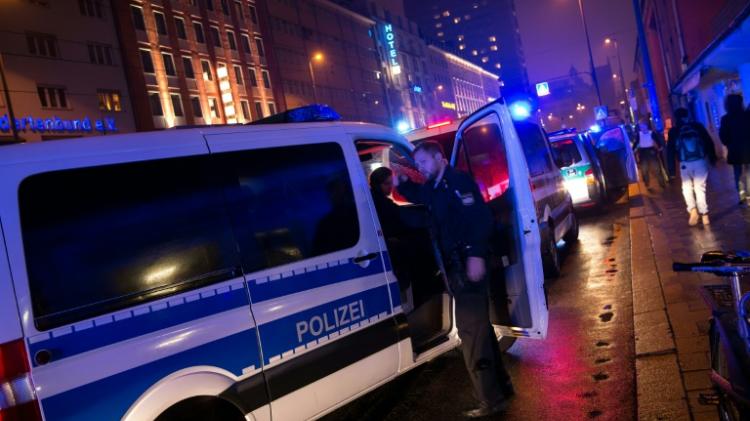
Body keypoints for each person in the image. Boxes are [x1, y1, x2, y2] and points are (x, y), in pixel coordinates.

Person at [394, 141, 512, 418]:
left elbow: (480, 219)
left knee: (471, 334)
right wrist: (400, 184)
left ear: (440, 159)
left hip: (467, 268)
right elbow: (423, 196)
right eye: (417, 164)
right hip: (456, 270)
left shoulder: (457, 181)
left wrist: (475, 254)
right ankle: (502, 387)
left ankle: (490, 400)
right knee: (480, 330)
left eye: (424, 162)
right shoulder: (436, 186)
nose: (420, 169)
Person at [667, 108, 717, 226]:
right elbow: (708, 141)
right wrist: (712, 158)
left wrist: (671, 170)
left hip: (684, 163)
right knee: (700, 188)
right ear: (687, 115)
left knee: (686, 187)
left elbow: (670, 150)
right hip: (700, 161)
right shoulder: (697, 126)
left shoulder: (674, 131)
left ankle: (692, 210)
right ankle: (704, 215)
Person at [719, 94, 750, 205]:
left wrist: (729, 143)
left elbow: (723, 137)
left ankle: (741, 195)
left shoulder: (726, 119)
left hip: (735, 150)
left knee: (738, 172)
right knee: (748, 171)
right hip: (748, 148)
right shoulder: (747, 115)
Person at [634, 119, 666, 190]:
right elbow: (636, 143)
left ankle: (662, 183)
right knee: (644, 170)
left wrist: (660, 147)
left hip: (651, 151)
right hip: (643, 152)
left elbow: (657, 141)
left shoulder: (651, 133)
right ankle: (647, 183)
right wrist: (634, 149)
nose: (641, 128)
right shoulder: (639, 135)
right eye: (640, 126)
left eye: (642, 126)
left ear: (646, 126)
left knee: (657, 168)